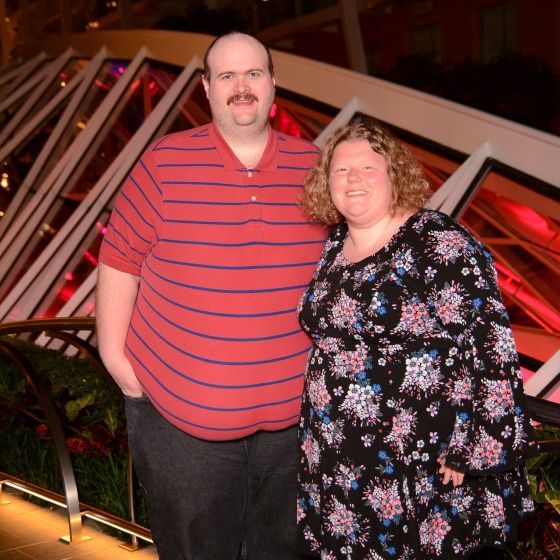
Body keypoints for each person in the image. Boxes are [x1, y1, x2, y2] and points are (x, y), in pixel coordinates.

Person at [96, 32, 326, 559]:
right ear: (206, 87)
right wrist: (118, 364)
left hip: (293, 434)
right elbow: (119, 260)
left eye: (253, 74)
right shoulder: (164, 163)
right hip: (181, 434)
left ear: (273, 84)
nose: (241, 87)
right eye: (227, 76)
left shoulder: (316, 166)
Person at [296, 119, 537, 559]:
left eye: (368, 168)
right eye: (340, 170)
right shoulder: (336, 244)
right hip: (338, 461)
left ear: (394, 176)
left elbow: (491, 348)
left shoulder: (437, 242)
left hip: (416, 462)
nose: (352, 178)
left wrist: (471, 448)